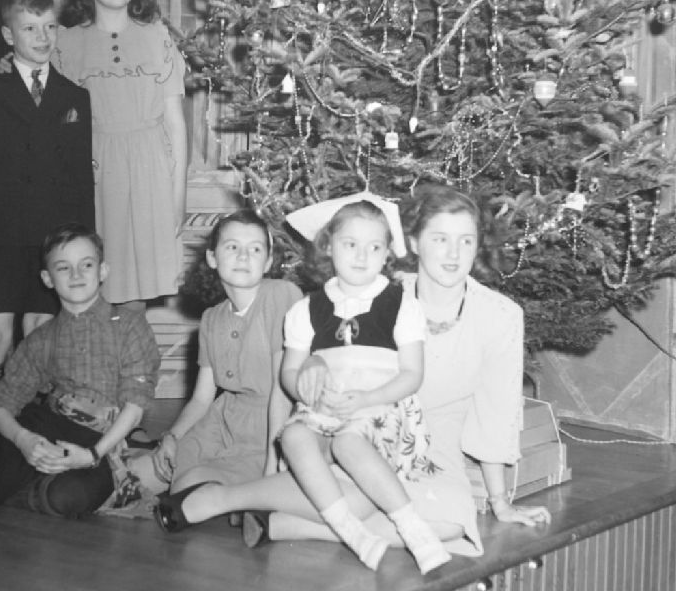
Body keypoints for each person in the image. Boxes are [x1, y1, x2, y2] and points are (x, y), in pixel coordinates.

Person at [153, 186, 551, 561]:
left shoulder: (499, 315)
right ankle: (238, 499)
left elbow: (494, 411)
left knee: (448, 524)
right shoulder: (377, 287)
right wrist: (313, 362)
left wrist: (500, 502)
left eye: (466, 241)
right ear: (414, 243)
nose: (453, 254)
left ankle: (284, 522)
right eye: (440, 239)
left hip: (427, 446)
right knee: (362, 493)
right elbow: (320, 336)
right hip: (348, 426)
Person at [0, 223, 160, 518]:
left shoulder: (129, 326)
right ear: (47, 279)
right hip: (49, 427)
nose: (76, 275)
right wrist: (24, 441)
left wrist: (91, 455)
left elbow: (135, 406)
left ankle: (15, 481)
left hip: (105, 439)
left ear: (103, 271)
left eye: (86, 265)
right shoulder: (41, 339)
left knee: (69, 498)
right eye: (63, 268)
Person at [275, 193, 448, 573]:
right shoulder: (306, 309)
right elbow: (289, 371)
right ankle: (350, 531)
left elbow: (412, 375)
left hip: (380, 406)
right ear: (328, 246)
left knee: (348, 441)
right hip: (326, 409)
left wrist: (369, 398)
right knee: (294, 436)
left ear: (387, 254)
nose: (361, 256)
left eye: (374, 247)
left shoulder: (400, 304)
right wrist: (308, 392)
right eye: (350, 244)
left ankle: (413, 528)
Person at [0, 0, 95, 399]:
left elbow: (81, 182)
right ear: (8, 35)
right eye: (30, 28)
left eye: (49, 27)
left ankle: (30, 421)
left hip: (52, 240)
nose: (42, 37)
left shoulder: (75, 97)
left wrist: (85, 246)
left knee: (40, 337)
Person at [54, 0, 188, 306]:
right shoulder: (66, 42)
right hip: (95, 169)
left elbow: (176, 124)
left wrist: (178, 197)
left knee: (135, 295)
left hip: (149, 171)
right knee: (92, 285)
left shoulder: (157, 36)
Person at [133, 209, 302, 496]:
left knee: (191, 487)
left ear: (268, 262)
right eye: (232, 247)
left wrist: (273, 463)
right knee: (144, 474)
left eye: (255, 249)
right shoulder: (212, 318)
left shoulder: (281, 295)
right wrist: (172, 437)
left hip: (271, 428)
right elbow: (201, 399)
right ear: (212, 257)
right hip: (221, 424)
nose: (244, 256)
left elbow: (282, 390)